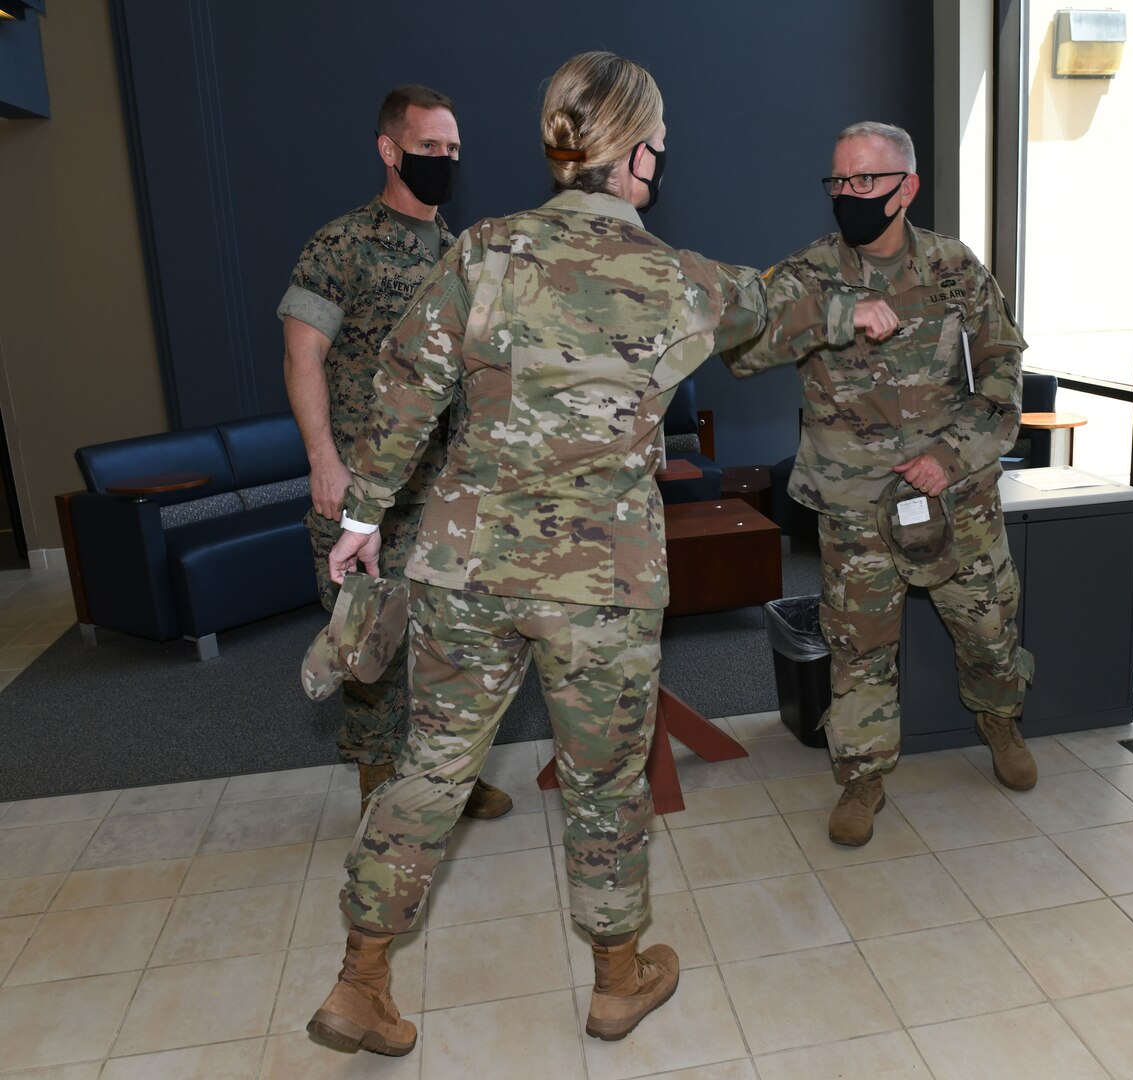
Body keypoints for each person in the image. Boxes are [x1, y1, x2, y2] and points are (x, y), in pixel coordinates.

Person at [304, 53, 897, 1057]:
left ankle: (360, 982)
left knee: (430, 771)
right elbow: (779, 309)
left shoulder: (482, 251)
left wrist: (362, 517)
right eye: (656, 146)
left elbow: (406, 387)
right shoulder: (675, 278)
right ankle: (617, 982)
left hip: (466, 568)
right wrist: (860, 311)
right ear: (638, 155)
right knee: (606, 781)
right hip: (602, 586)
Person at [727, 120, 1037, 849]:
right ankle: (862, 776)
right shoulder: (808, 275)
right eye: (838, 181)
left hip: (955, 497)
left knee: (990, 629)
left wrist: (955, 457)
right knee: (858, 648)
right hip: (856, 504)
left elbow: (1002, 368)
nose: (848, 194)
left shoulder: (955, 267)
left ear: (908, 188)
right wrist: (833, 315)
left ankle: (999, 718)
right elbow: (740, 349)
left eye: (866, 180)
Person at [279, 85, 511, 821]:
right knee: (370, 646)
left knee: (453, 649)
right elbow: (301, 354)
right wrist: (324, 461)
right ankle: (380, 782)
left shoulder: (460, 253)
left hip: (445, 494)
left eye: (452, 151)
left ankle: (449, 776)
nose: (443, 161)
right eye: (429, 148)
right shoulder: (341, 244)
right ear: (390, 149)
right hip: (363, 491)